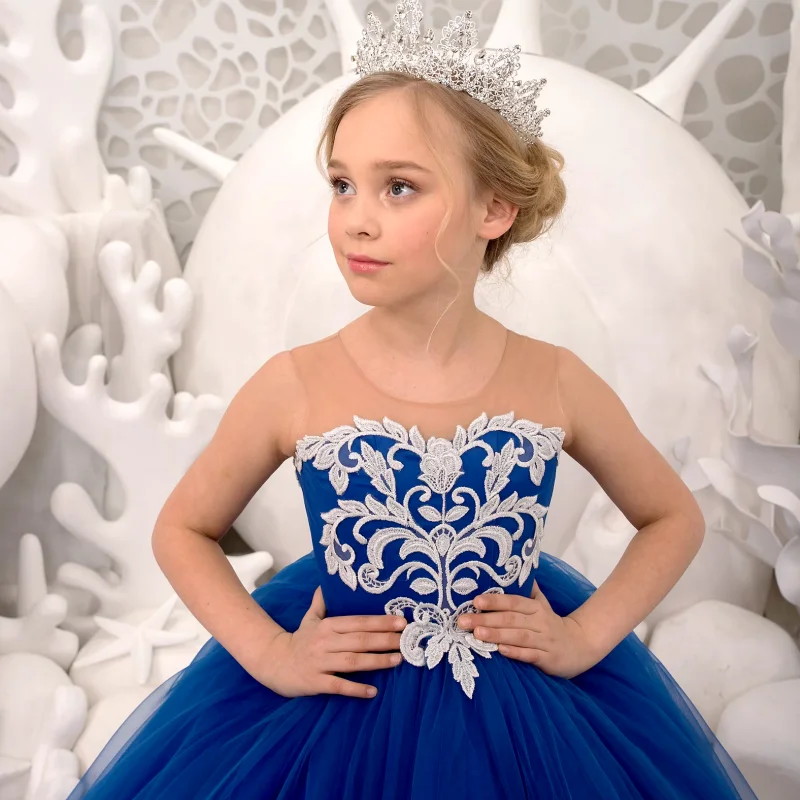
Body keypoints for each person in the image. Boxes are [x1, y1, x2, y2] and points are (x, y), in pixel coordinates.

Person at [67, 2, 757, 798]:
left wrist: (585, 636)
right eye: (342, 185)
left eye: (399, 188)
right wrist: (272, 653)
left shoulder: (554, 378)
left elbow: (673, 517)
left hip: (520, 718)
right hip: (339, 709)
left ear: (492, 210)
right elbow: (183, 528)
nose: (357, 220)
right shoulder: (295, 382)